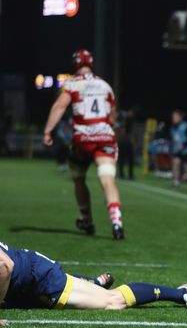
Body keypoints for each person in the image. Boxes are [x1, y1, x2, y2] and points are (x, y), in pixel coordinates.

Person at [43, 49, 126, 240]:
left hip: (83, 140)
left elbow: (59, 107)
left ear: (75, 65)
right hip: (105, 138)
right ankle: (117, 222)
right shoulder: (105, 85)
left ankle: (87, 221)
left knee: (78, 177)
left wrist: (48, 131)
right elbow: (112, 117)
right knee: (107, 179)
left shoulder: (72, 84)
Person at [0, 240, 187, 311]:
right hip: (26, 280)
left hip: (40, 281)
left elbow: (4, 266)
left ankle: (183, 293)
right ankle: (94, 282)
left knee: (112, 301)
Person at [170, 110, 187, 187]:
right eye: (173, 117)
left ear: (180, 118)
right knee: (176, 162)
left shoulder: (186, 125)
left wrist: (184, 145)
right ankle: (175, 180)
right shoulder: (172, 128)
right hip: (178, 150)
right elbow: (174, 139)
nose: (173, 118)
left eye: (175, 117)